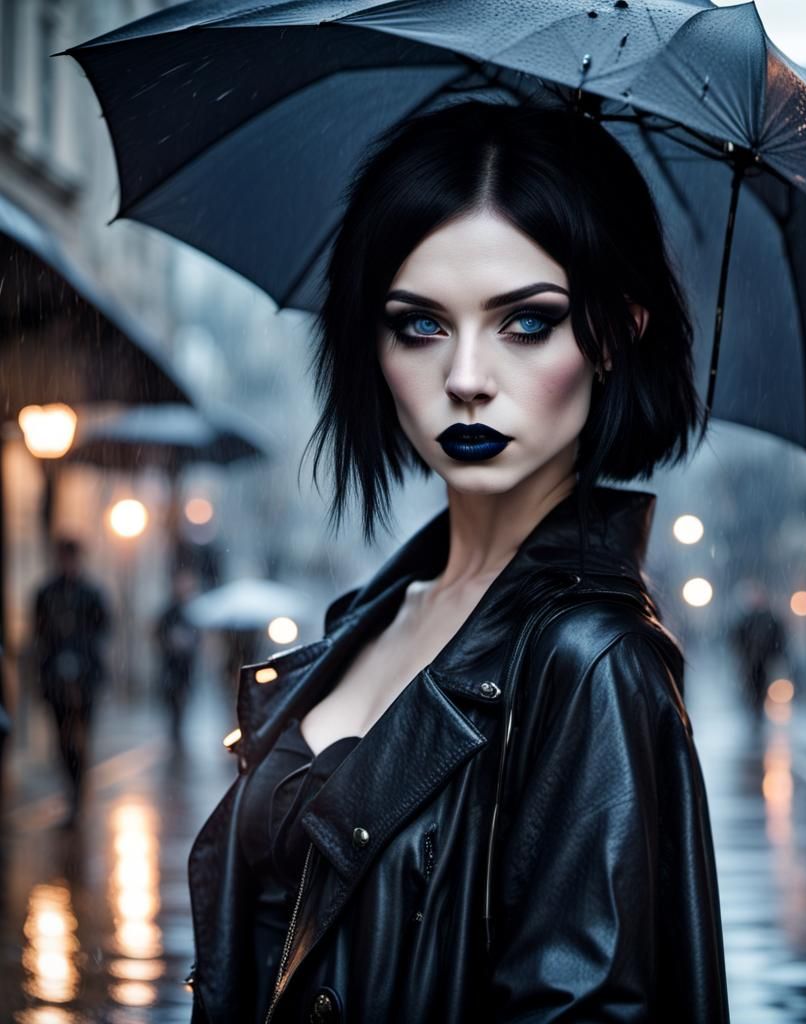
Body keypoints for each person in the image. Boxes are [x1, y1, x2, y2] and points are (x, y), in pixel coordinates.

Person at [186, 101, 729, 1023]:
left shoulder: (591, 662)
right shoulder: (371, 614)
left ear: (615, 334)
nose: (467, 376)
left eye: (526, 324)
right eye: (421, 326)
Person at [33, 537, 110, 826]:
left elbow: (102, 628)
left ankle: (79, 794)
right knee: (62, 739)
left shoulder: (91, 593)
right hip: (55, 677)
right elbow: (40, 632)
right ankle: (72, 792)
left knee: (81, 738)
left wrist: (80, 657)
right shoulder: (46, 593)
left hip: (85, 677)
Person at [154, 567, 201, 749]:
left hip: (185, 668)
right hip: (171, 667)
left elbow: (197, 638)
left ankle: (178, 733)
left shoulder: (192, 611)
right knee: (173, 702)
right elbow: (158, 634)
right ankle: (175, 734)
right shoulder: (169, 612)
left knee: (183, 701)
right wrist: (171, 642)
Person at [730, 581, 785, 722]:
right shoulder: (747, 619)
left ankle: (757, 711)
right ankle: (754, 711)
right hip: (751, 662)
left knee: (761, 688)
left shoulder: (769, 618)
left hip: (763, 662)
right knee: (751, 688)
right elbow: (737, 638)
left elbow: (777, 638)